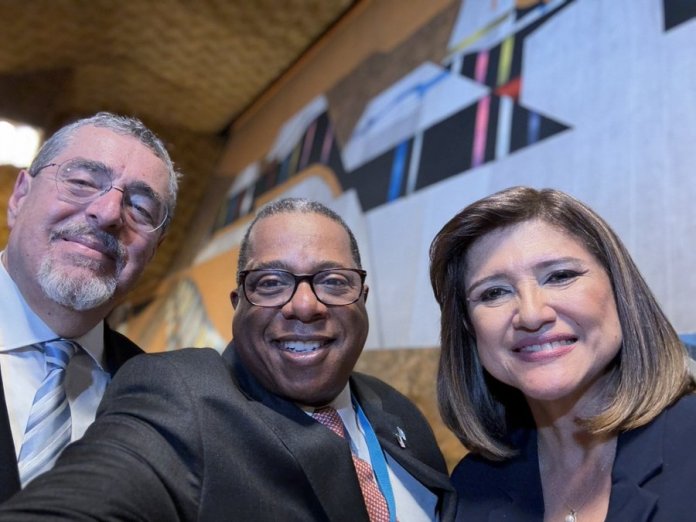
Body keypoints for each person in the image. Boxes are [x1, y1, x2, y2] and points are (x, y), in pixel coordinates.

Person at [0, 198, 455, 521]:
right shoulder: (179, 395)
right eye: (272, 282)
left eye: (333, 281)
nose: (304, 305)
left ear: (362, 297)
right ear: (238, 303)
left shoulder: (399, 413)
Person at [429, 186, 696, 521]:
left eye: (560, 276)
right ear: (469, 328)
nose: (531, 314)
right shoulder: (472, 487)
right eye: (494, 292)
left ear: (619, 289)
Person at [0, 112, 179, 500]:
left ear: (154, 251)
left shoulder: (161, 402)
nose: (109, 213)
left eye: (141, 209)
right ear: (19, 197)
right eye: (81, 182)